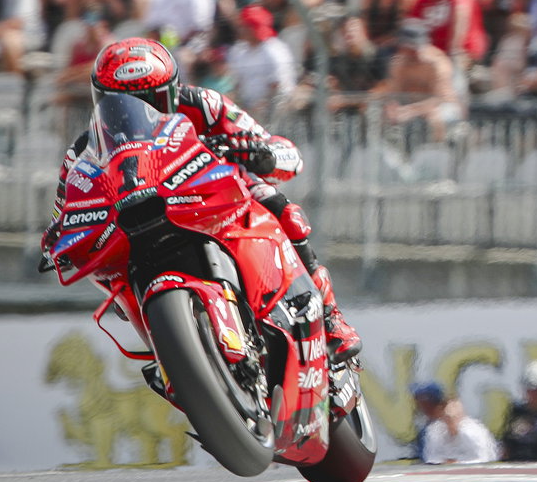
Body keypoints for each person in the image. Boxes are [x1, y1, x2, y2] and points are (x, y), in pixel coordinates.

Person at [43, 37, 361, 361]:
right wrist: (55, 239)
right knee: (110, 278)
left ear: (171, 91)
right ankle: (172, 356)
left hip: (210, 196)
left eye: (149, 100)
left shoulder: (204, 104)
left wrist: (263, 155)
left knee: (276, 203)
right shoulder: (84, 151)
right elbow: (63, 210)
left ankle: (332, 318)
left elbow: (283, 153)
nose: (135, 112)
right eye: (119, 101)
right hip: (136, 223)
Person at [413, 382, 499, 464]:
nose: (450, 420)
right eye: (446, 417)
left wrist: (459, 463)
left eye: (453, 417)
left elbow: (486, 459)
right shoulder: (434, 432)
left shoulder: (474, 433)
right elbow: (430, 458)